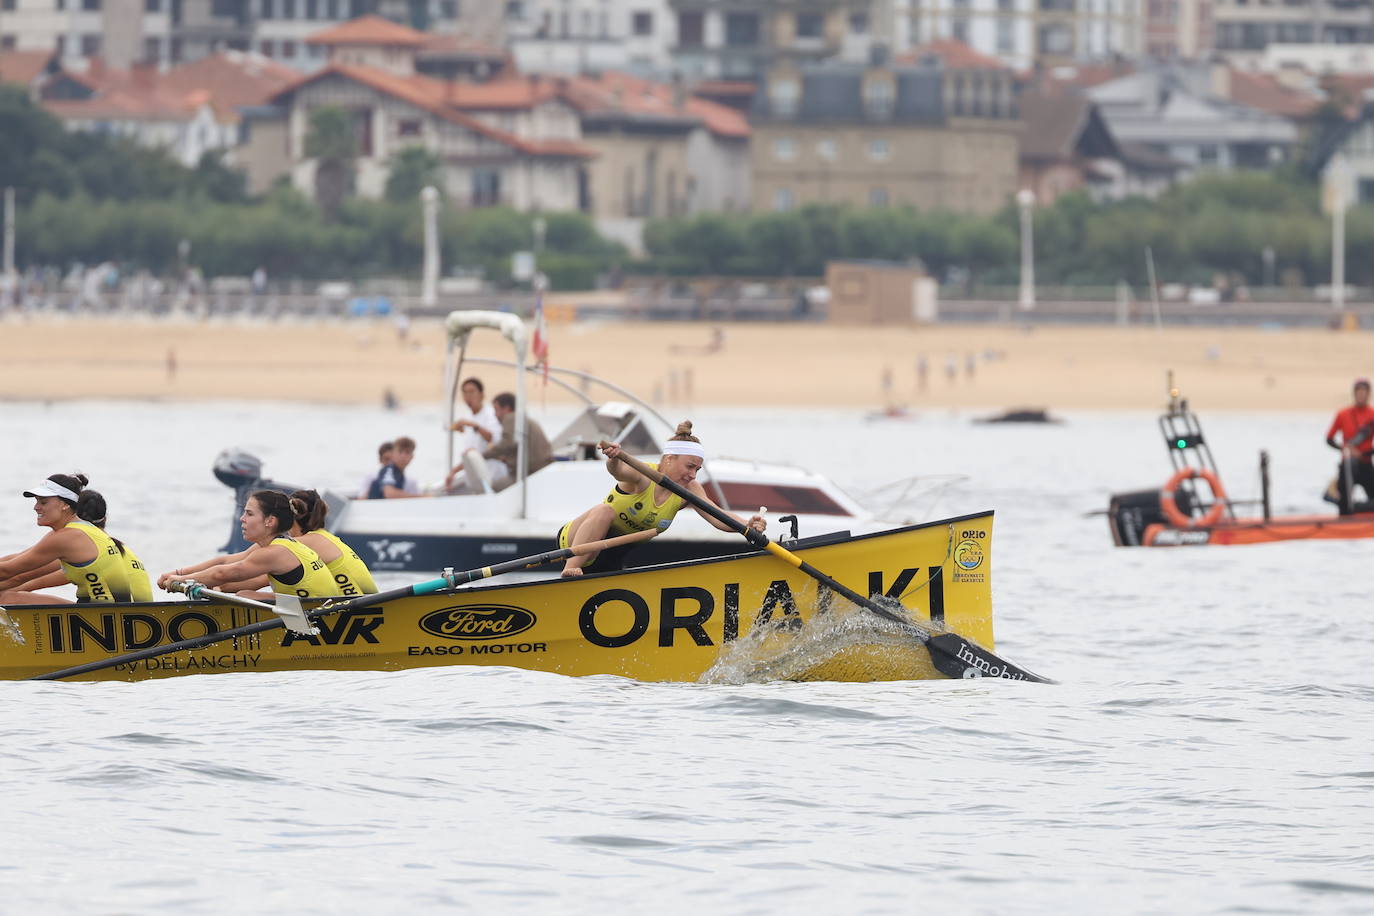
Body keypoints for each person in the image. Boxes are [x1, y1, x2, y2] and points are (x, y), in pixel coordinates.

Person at [557, 421, 766, 577]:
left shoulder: (689, 489)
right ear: (669, 459)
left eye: (697, 469)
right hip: (577, 542)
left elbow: (718, 516)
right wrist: (613, 458)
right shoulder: (643, 475)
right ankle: (569, 570)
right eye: (689, 466)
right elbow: (618, 471)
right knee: (604, 511)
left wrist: (747, 526)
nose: (693, 475)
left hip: (611, 557)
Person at [0, 474, 150, 605]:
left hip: (105, 614)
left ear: (65, 505)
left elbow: (10, 572)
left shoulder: (67, 537)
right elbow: (15, 564)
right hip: (110, 610)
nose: (36, 507)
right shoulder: (85, 531)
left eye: (43, 502)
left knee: (6, 599)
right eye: (37, 501)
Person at [158, 490, 336, 599]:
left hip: (324, 616)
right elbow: (227, 565)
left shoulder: (275, 552)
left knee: (245, 595)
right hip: (314, 607)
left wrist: (179, 581)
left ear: (269, 521)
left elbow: (223, 573)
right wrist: (179, 574)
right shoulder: (281, 544)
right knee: (244, 595)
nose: (242, 519)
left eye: (249, 514)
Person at [445, 392, 553, 493]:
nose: (495, 415)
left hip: (530, 472)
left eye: (496, 410)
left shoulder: (511, 418)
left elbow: (506, 445)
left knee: (494, 489)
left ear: (506, 409)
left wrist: (481, 456)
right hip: (536, 468)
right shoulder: (523, 420)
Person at [288, 490, 378, 596]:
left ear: (291, 519)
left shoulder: (306, 542)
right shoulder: (324, 535)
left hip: (355, 604)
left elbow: (269, 574)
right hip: (369, 599)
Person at [1326, 378, 1374, 514]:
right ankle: (1346, 516)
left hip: (1366, 464)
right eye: (1359, 392)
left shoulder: (1372, 414)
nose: (1361, 395)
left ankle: (1359, 510)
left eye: (1364, 392)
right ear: (1354, 394)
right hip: (1347, 465)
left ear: (1369, 394)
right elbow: (1329, 439)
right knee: (1344, 504)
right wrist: (1344, 448)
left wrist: (1363, 454)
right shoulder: (1343, 414)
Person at [448, 377, 501, 455]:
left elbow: (493, 439)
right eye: (465, 392)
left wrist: (474, 426)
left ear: (482, 394)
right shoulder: (467, 414)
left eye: (472, 392)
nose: (468, 396)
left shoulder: (491, 414)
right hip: (473, 463)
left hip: (488, 465)